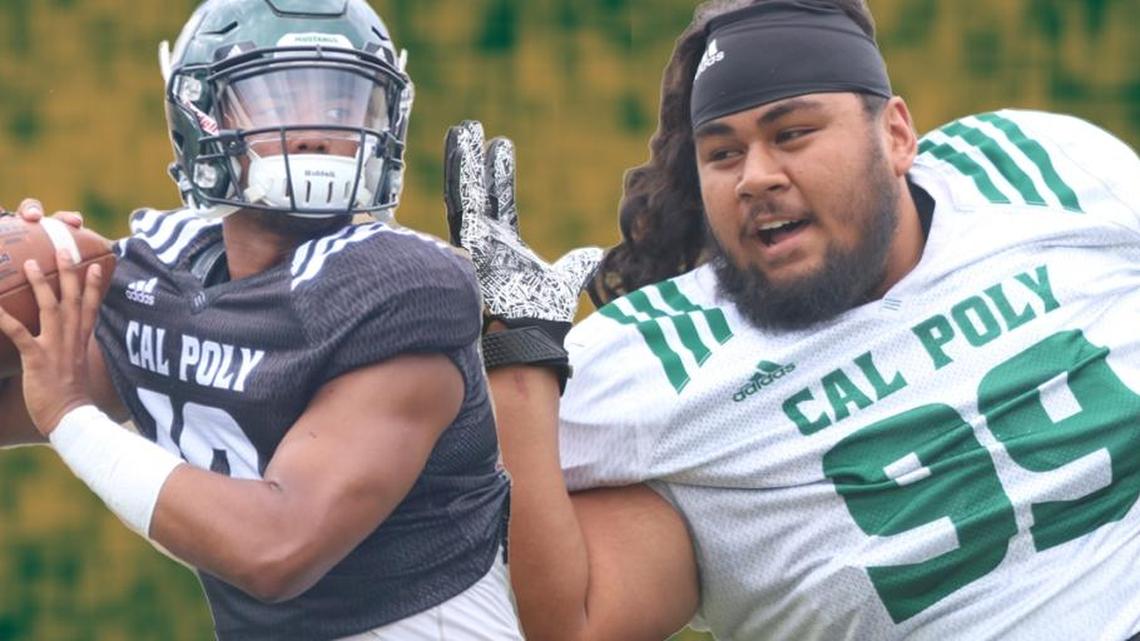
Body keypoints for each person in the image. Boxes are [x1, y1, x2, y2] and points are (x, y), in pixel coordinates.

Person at [442, 0, 1140, 639]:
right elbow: (570, 620)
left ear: (897, 135)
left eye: (793, 133)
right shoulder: (662, 355)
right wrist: (518, 353)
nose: (755, 176)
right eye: (722, 153)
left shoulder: (1033, 166)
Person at [0, 1, 522, 639]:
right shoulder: (164, 278)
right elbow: (23, 391)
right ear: (202, 116)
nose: (314, 132)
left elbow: (276, 550)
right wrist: (23, 281)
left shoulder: (398, 292)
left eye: (340, 106)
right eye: (279, 100)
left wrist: (72, 418)